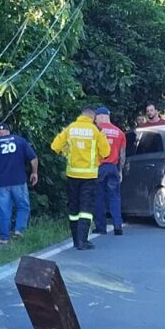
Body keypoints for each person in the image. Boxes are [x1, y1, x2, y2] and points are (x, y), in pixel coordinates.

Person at [49, 105, 108, 249]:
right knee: (86, 209)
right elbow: (106, 152)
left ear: (81, 115)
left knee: (74, 209)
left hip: (72, 174)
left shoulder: (70, 129)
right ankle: (83, 241)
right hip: (89, 175)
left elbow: (54, 146)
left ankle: (76, 240)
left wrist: (66, 153)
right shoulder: (96, 131)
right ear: (93, 117)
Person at [0, 119, 38, 238]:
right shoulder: (20, 141)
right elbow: (33, 158)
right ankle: (19, 230)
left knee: (3, 211)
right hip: (19, 181)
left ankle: (4, 237)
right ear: (8, 131)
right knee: (23, 206)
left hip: (1, 184)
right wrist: (34, 172)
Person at [94, 108, 128, 236]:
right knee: (114, 197)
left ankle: (101, 227)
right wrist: (120, 171)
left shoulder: (96, 131)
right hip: (113, 167)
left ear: (101, 117)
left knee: (99, 197)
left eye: (96, 117)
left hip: (99, 168)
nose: (95, 120)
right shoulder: (119, 132)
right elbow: (122, 155)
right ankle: (117, 226)